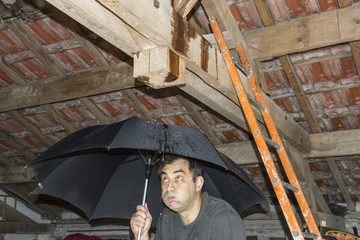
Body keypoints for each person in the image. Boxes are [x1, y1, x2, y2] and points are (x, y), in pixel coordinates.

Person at [130, 154, 246, 240]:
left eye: (178, 178)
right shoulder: (167, 217)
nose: (169, 187)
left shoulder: (222, 218)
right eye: (165, 179)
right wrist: (142, 235)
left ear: (198, 184)